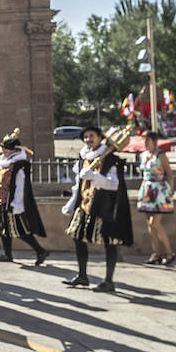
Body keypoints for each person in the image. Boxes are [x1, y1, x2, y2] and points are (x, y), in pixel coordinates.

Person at [62, 126, 133, 293]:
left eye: (91, 136)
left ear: (101, 137)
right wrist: (71, 204)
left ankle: (108, 281)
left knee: (109, 243)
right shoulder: (83, 159)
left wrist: (95, 177)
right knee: (77, 238)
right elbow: (78, 186)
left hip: (104, 207)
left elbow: (114, 185)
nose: (88, 139)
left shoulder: (110, 160)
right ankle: (82, 275)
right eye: (85, 137)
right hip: (84, 206)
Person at [0, 130, 48, 266]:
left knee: (19, 230)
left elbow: (20, 186)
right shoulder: (2, 163)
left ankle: (40, 250)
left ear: (15, 151)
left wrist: (17, 204)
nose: (4, 151)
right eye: (4, 148)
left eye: (7, 149)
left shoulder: (18, 165)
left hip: (11, 203)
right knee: (1, 229)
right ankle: (7, 254)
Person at [137, 130, 175, 265]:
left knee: (155, 223)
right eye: (144, 140)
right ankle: (156, 253)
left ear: (154, 141)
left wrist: (170, 191)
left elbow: (169, 174)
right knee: (149, 224)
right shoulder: (143, 155)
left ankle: (170, 253)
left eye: (148, 140)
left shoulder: (161, 155)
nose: (145, 143)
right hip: (147, 190)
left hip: (159, 191)